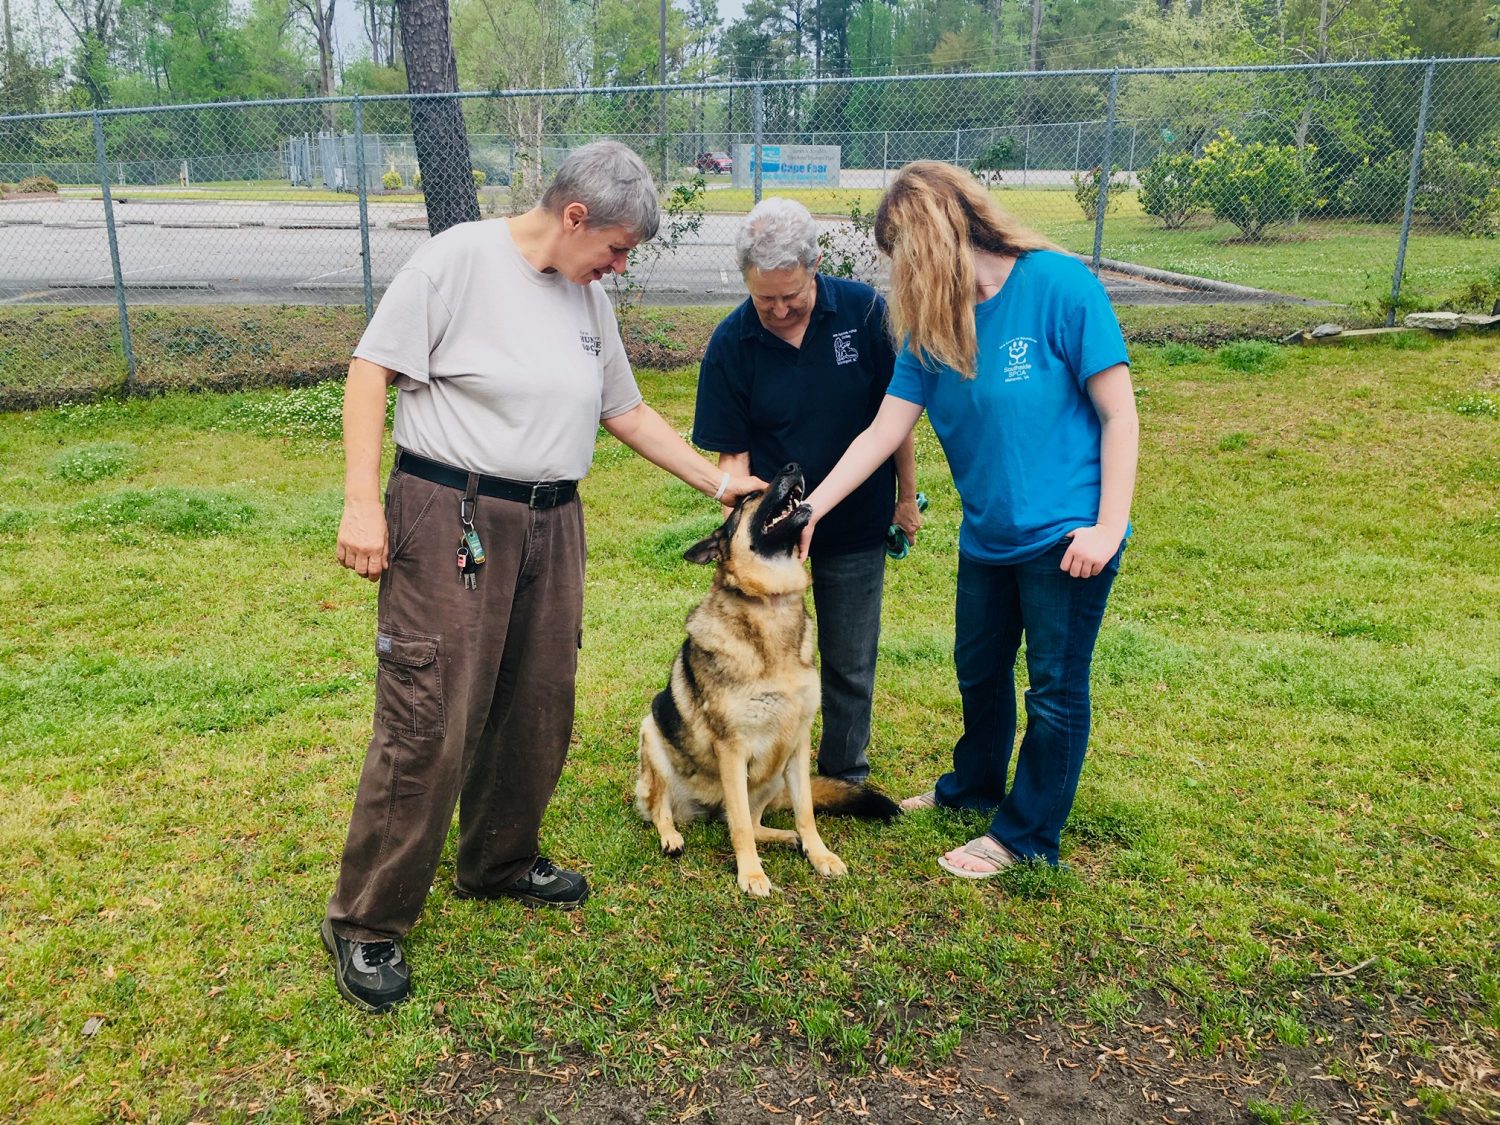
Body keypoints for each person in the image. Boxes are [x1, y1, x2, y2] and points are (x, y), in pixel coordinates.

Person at [323, 141, 764, 1013]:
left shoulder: (585, 297)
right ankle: (367, 921)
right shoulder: (458, 261)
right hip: (450, 508)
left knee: (538, 697)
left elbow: (624, 409)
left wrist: (717, 480)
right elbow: (371, 371)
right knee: (431, 710)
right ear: (574, 217)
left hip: (554, 519)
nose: (620, 264)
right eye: (618, 246)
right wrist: (360, 503)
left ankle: (497, 858)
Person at [795, 161, 1138, 877]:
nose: (898, 276)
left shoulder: (1060, 286)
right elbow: (882, 433)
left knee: (1053, 689)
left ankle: (1026, 835)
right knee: (979, 672)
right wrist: (813, 506)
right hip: (989, 537)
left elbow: (1119, 414)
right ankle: (973, 786)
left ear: (935, 234)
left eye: (901, 255)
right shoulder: (931, 329)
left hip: (1067, 538)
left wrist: (1108, 528)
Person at [692, 197, 922, 785]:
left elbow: (891, 419)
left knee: (850, 656)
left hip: (855, 518)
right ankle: (761, 768)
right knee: (765, 660)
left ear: (815, 264)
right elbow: (733, 457)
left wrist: (904, 496)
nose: (777, 308)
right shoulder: (731, 344)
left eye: (789, 294)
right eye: (763, 297)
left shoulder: (864, 312)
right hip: (776, 539)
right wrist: (746, 525)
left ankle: (844, 772)